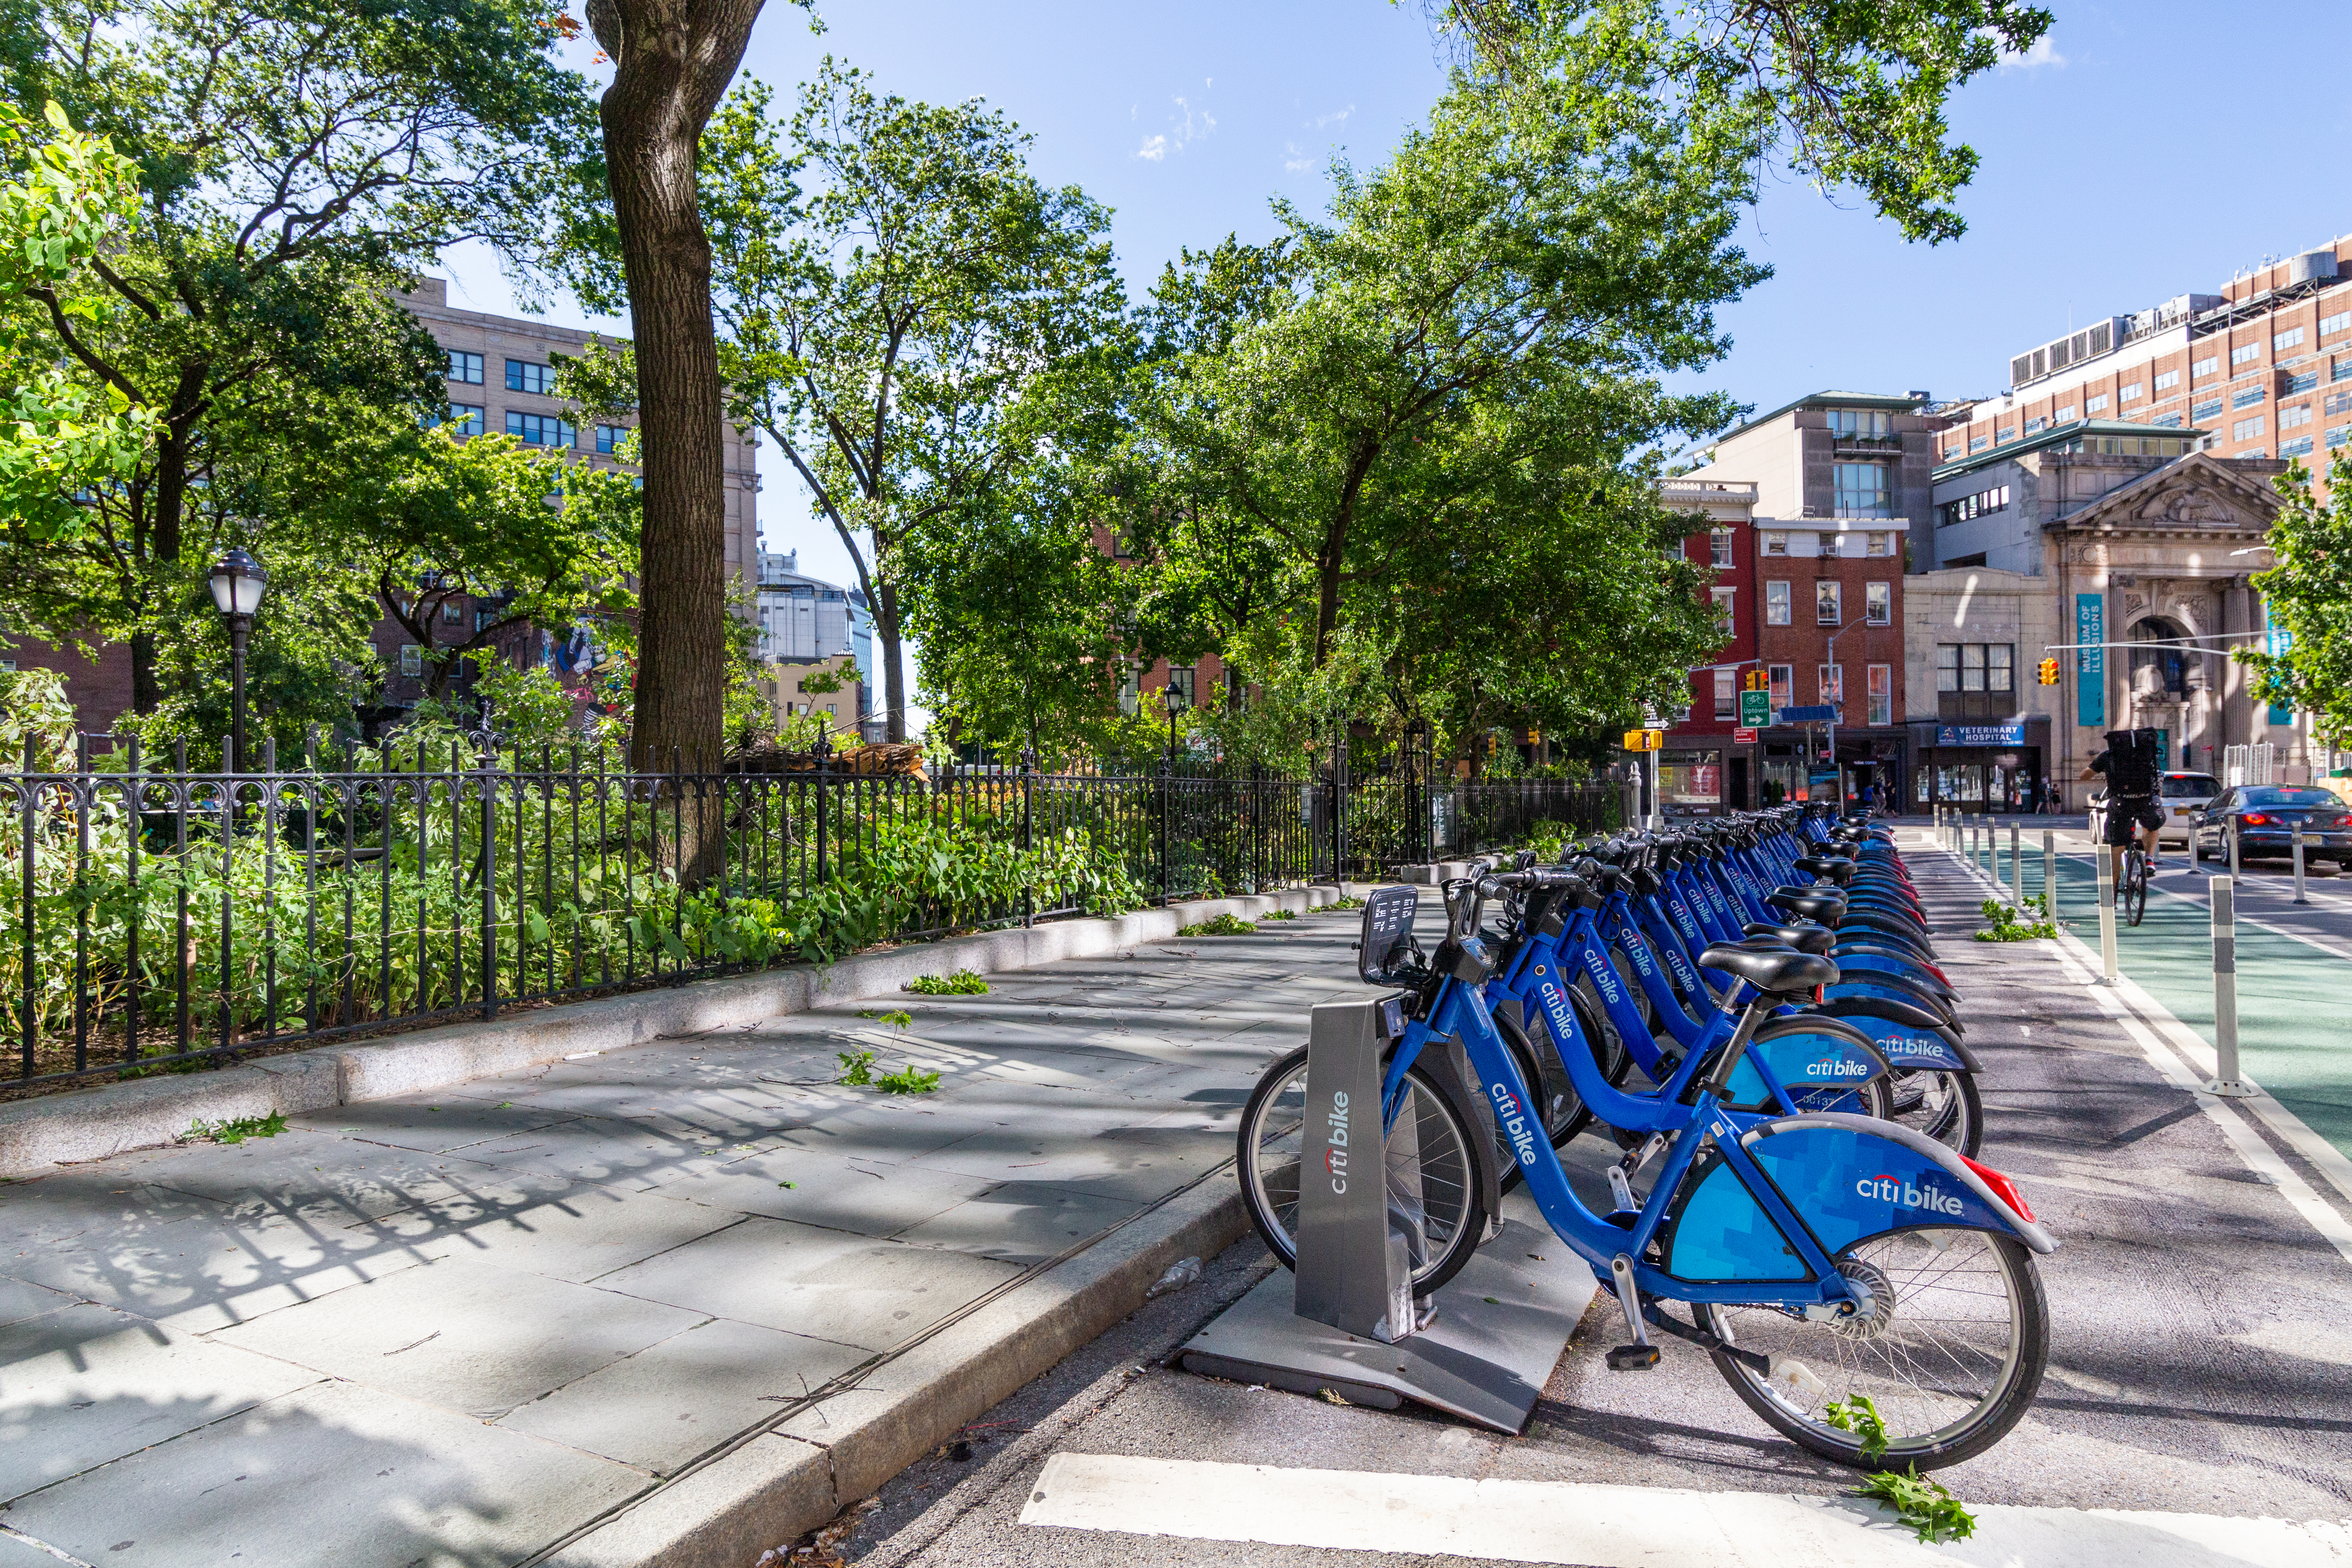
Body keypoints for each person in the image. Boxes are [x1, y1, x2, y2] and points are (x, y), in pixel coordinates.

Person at [2081, 729, 2164, 870]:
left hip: (2121, 803)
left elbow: (2084, 776)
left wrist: (2097, 771)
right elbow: (2157, 780)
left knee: (2117, 846)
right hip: (2146, 800)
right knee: (2151, 827)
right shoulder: (2147, 755)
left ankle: (2114, 883)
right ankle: (2149, 859)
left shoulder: (2109, 756)